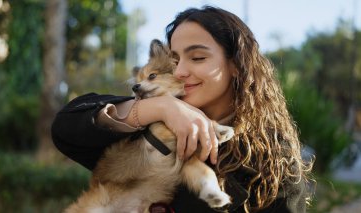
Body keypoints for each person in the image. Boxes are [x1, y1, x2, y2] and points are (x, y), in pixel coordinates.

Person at [52, 6, 313, 213]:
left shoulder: (275, 162)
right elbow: (66, 127)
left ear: (236, 65)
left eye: (198, 57)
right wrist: (161, 109)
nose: (180, 71)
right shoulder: (148, 114)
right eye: (174, 60)